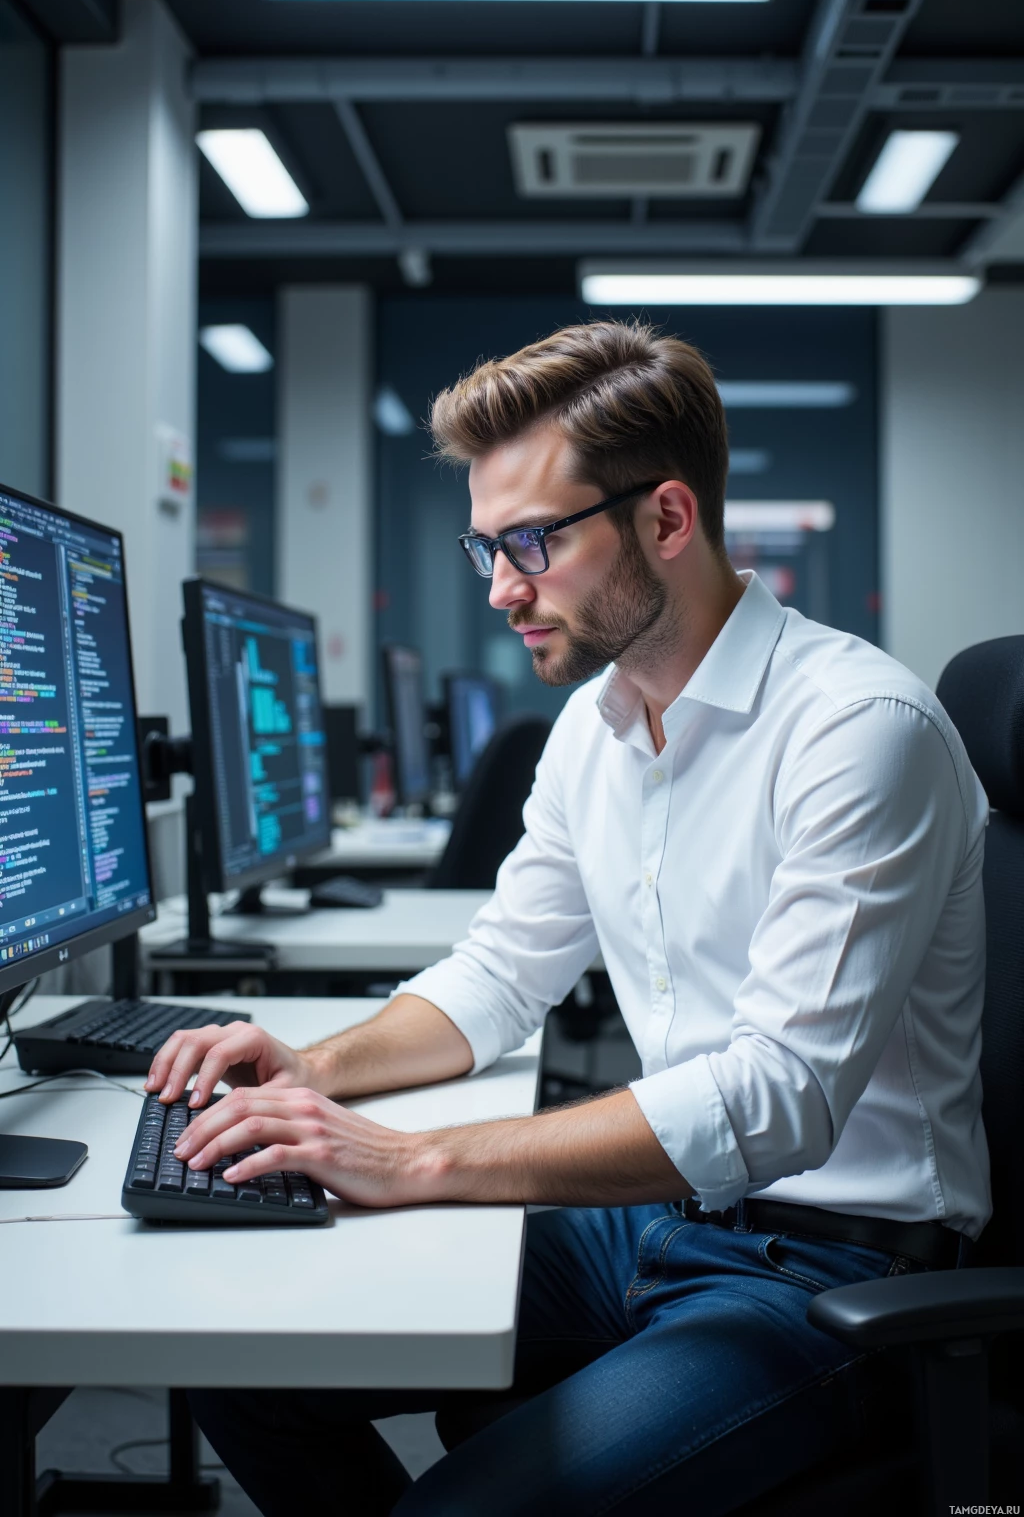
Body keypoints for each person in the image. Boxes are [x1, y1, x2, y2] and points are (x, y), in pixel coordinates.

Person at [148, 321, 989, 1516]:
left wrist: (422, 1160)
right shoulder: (593, 730)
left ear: (667, 520)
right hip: (653, 1222)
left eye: (533, 542)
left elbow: (777, 1095)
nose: (500, 589)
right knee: (237, 1353)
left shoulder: (857, 730)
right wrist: (315, 1069)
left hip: (828, 1271)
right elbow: (499, 972)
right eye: (486, 547)